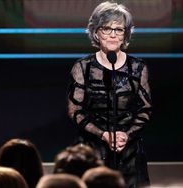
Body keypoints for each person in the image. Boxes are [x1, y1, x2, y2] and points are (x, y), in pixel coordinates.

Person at [67, 1, 152, 187]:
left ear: (126, 34)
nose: (113, 34)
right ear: (96, 32)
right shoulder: (82, 67)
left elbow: (145, 109)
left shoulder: (138, 68)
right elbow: (76, 111)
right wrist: (103, 134)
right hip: (92, 153)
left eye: (119, 29)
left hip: (129, 154)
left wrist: (126, 135)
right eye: (106, 29)